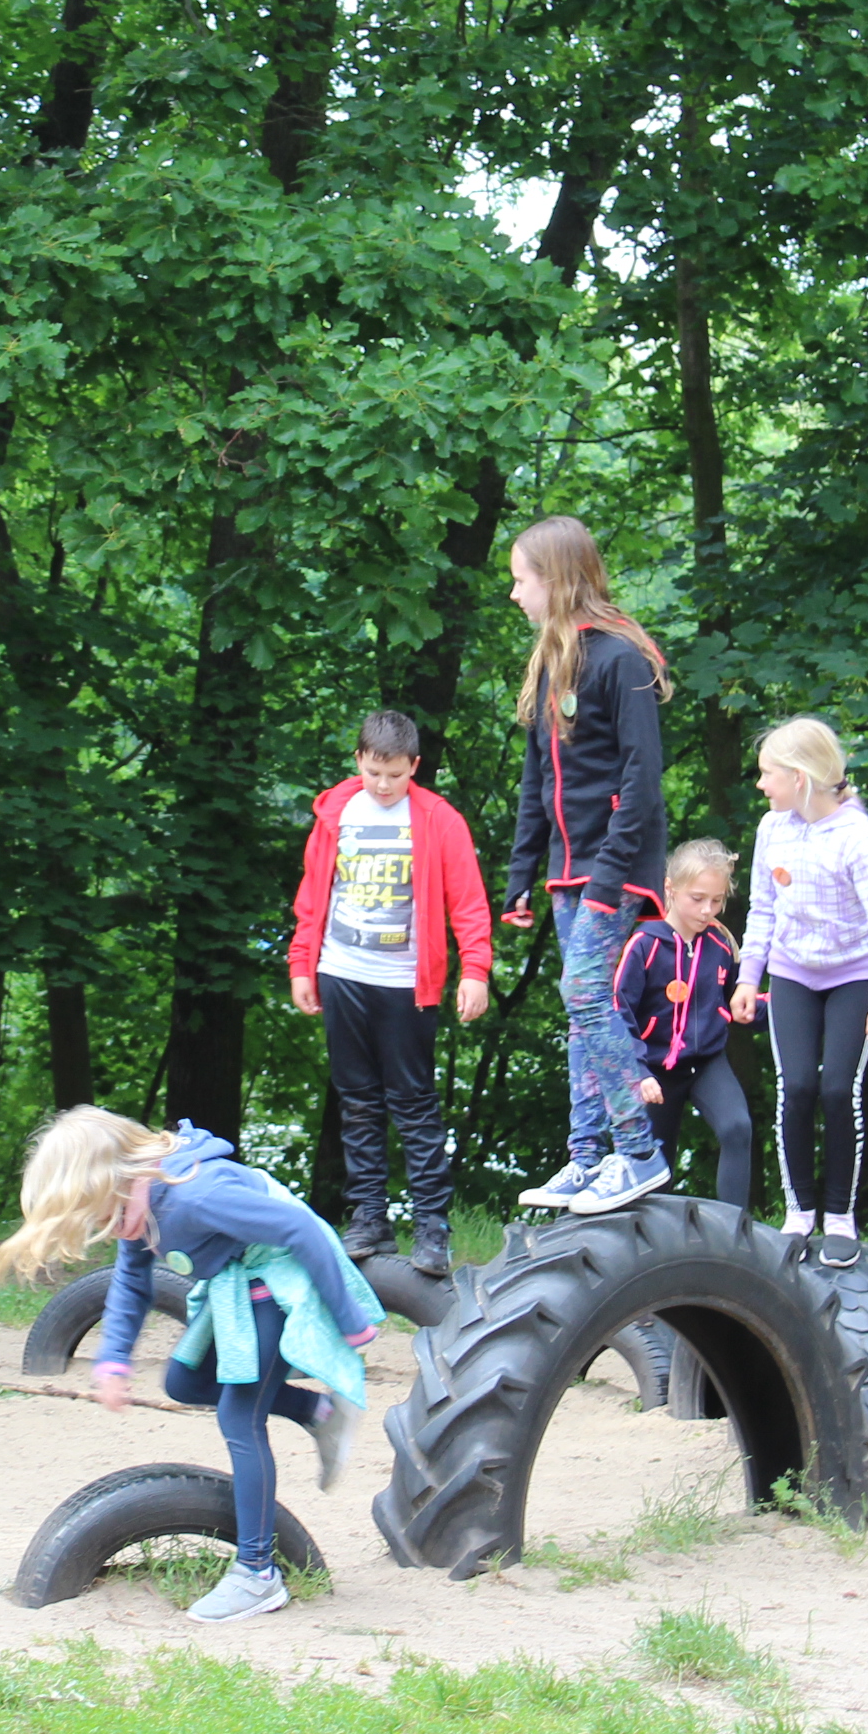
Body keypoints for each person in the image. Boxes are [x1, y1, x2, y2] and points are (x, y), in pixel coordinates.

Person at [0, 1107, 377, 1626]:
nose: (98, 1227)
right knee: (185, 1380)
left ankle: (257, 1574)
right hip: (238, 1281)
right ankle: (319, 1413)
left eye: (93, 1212)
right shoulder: (139, 1204)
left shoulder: (197, 1196)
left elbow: (300, 1228)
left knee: (240, 1417)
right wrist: (113, 1359)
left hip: (280, 1276)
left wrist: (349, 1318)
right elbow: (132, 1280)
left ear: (114, 1180)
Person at [496, 516, 675, 1215]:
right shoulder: (551, 663)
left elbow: (643, 778)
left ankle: (639, 1152)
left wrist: (608, 877)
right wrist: (521, 876)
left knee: (586, 993)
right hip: (569, 869)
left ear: (557, 578)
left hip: (615, 865)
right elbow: (536, 779)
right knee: (580, 1011)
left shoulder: (621, 658)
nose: (515, 594)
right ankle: (585, 1158)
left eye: (521, 580)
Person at [284, 708, 494, 1276]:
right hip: (341, 971)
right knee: (356, 1101)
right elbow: (313, 896)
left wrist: (475, 970)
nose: (383, 785)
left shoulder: (438, 820)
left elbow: (468, 903)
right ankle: (369, 1218)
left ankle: (432, 1228)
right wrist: (302, 965)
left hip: (406, 983)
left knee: (414, 1103)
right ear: (359, 760)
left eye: (395, 775)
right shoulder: (335, 812)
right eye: (374, 772)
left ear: (414, 767)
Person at [729, 718, 868, 1268]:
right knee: (798, 1086)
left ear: (800, 778)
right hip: (792, 972)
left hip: (853, 974)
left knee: (837, 1091)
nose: (761, 784)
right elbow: (762, 908)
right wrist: (748, 977)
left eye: (768, 774)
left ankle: (840, 1219)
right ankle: (799, 1213)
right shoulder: (772, 828)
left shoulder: (856, 835)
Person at [615, 840, 754, 1214]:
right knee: (656, 1167)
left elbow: (738, 1000)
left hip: (706, 1062)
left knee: (738, 1129)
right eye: (697, 899)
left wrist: (780, 1006)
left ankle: (735, 1231)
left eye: (717, 900)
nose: (707, 910)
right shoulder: (643, 945)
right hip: (654, 1070)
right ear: (670, 889)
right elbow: (619, 1014)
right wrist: (638, 1071)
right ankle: (649, 1241)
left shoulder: (721, 945)